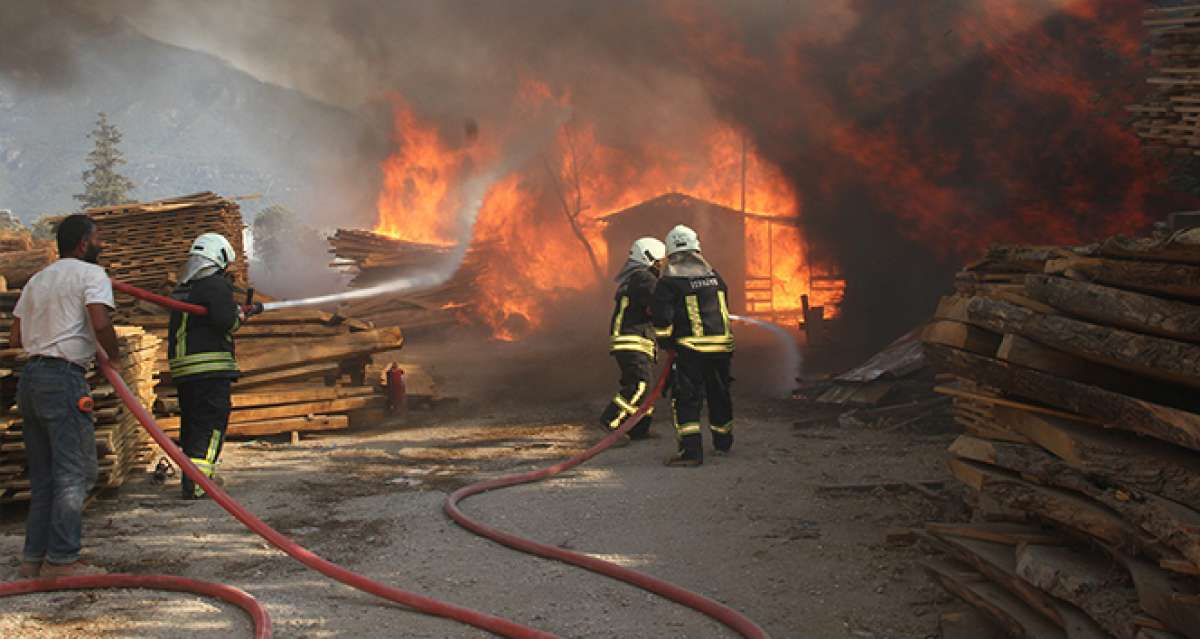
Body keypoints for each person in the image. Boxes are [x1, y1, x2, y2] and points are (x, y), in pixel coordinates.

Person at [11, 214, 118, 578]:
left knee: (44, 477)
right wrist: (113, 358)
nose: (102, 243)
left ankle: (33, 560)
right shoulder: (91, 276)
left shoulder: (37, 279)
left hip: (30, 379)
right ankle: (63, 561)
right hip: (63, 379)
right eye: (99, 237)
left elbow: (15, 335)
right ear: (84, 243)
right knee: (77, 473)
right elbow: (100, 321)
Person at [167, 233, 243, 499]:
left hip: (186, 372)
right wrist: (239, 316)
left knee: (193, 426)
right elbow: (226, 322)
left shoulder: (184, 288)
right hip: (209, 368)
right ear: (219, 258)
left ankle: (193, 477)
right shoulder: (214, 285)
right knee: (211, 424)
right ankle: (200, 483)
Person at [652, 224, 735, 467]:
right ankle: (723, 442)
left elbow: (662, 318)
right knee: (719, 393)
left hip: (691, 349)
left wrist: (667, 342)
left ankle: (691, 452)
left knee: (687, 398)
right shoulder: (715, 277)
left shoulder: (670, 282)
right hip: (722, 347)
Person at [599, 237, 667, 444]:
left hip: (634, 340)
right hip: (632, 339)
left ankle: (639, 429)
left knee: (646, 386)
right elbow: (659, 303)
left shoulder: (634, 279)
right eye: (659, 261)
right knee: (640, 385)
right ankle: (610, 423)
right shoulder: (643, 278)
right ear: (648, 257)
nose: (660, 265)